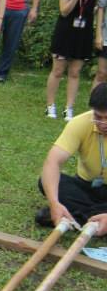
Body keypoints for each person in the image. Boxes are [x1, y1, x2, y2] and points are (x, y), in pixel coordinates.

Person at [36, 82, 107, 235]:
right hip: (87, 187)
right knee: (48, 181)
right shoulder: (81, 122)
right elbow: (53, 162)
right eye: (98, 117)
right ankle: (91, 218)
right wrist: (54, 203)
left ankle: (79, 217)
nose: (103, 124)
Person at [45, 0, 100, 121]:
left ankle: (69, 108)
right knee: (58, 69)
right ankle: (50, 105)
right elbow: (64, 11)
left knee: (75, 72)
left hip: (83, 33)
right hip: (65, 31)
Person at [93, 0, 107, 90]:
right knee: (101, 72)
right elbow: (101, 8)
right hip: (106, 35)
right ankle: (95, 106)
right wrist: (98, 35)